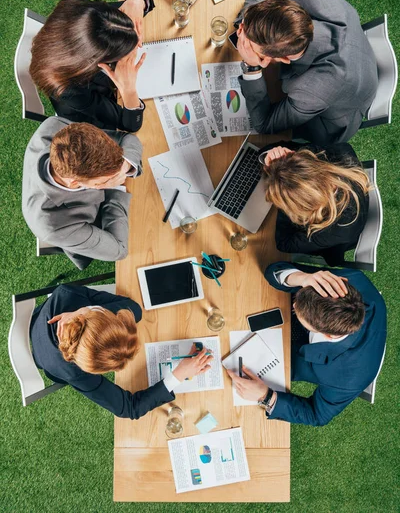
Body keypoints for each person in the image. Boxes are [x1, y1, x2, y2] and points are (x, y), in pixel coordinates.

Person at [226, 263, 386, 427]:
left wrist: (266, 396)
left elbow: (316, 415)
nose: (294, 305)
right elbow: (275, 269)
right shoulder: (347, 282)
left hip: (291, 361)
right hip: (274, 310)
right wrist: (303, 278)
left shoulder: (348, 379)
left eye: (298, 311)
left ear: (327, 335)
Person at [30, 283, 213, 419]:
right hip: (43, 354)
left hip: (39, 322)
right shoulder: (76, 373)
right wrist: (179, 375)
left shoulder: (66, 294)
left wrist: (86, 311)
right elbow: (129, 409)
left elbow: (135, 312)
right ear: (89, 369)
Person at [234, 0, 378, 144]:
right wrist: (246, 22)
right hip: (356, 56)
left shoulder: (312, 91)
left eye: (250, 46)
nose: (243, 41)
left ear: (284, 59)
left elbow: (264, 123)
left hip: (329, 121)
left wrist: (252, 67)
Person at [22, 117, 142, 270]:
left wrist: (125, 166)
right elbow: (119, 250)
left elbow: (127, 138)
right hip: (95, 225)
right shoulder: (51, 224)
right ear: (73, 182)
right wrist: (116, 188)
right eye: (103, 181)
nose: (118, 176)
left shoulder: (55, 128)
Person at [30, 0, 155, 132]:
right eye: (124, 53)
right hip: (91, 118)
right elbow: (129, 124)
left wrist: (137, 1)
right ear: (96, 60)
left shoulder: (86, 19)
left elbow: (132, 11)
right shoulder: (70, 91)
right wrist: (129, 90)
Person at [258, 141, 370, 266]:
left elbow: (284, 243)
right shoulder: (340, 152)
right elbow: (294, 149)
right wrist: (273, 155)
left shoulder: (338, 229)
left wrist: (286, 204)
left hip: (324, 239)